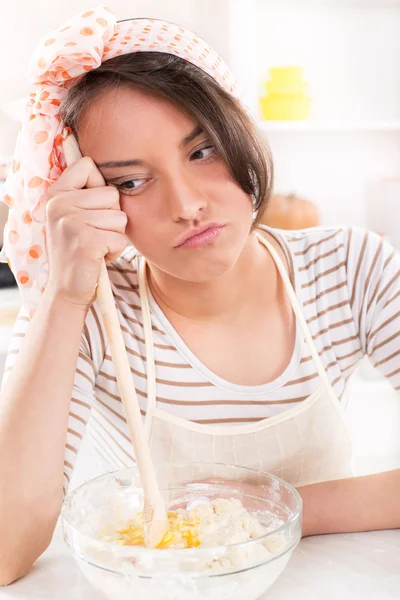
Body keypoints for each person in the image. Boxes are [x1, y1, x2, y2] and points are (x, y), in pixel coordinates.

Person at [0, 6, 399, 586]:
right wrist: (63, 295)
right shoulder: (87, 310)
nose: (186, 205)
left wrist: (259, 515)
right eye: (130, 182)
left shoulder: (353, 269)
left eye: (202, 150)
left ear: (240, 129)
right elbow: (5, 550)